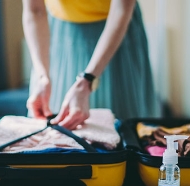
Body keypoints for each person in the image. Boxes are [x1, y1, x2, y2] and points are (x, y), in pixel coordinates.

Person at [22, 0, 160, 130]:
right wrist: (42, 76)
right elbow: (35, 10)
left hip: (116, 30)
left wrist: (87, 80)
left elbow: (122, 8)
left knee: (122, 127)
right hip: (59, 34)